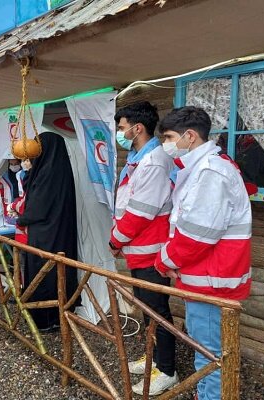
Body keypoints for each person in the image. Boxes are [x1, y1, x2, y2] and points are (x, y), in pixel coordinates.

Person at [155, 107, 252, 400]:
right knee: (210, 348)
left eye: (169, 137)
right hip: (208, 274)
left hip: (212, 279)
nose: (166, 144)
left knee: (209, 353)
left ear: (190, 136)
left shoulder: (210, 170)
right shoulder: (205, 166)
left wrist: (165, 261)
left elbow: (196, 234)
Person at [108, 102, 178, 395]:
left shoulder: (154, 162)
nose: (119, 133)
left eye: (122, 128)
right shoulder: (138, 158)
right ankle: (153, 357)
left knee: (158, 311)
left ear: (138, 128)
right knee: (147, 309)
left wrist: (116, 239)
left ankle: (167, 370)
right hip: (138, 251)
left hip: (151, 253)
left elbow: (140, 212)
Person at [16, 132, 79, 332]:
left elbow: (37, 207)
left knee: (44, 274)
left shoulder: (48, 174)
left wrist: (21, 219)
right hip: (60, 232)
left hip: (45, 235)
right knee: (59, 273)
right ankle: (60, 314)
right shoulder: (58, 169)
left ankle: (44, 318)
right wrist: (27, 171)